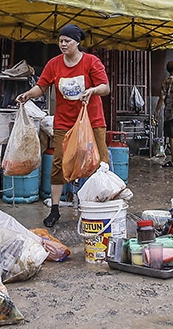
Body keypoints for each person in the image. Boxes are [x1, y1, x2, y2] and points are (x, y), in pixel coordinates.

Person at [15, 24, 110, 228]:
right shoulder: (54, 64)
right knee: (58, 162)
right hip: (64, 122)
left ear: (77, 43)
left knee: (100, 161)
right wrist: (27, 95)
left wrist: (92, 90)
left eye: (67, 41)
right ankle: (55, 209)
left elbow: (105, 87)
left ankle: (103, 205)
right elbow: (41, 87)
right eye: (60, 41)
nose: (63, 44)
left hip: (91, 120)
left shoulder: (91, 61)